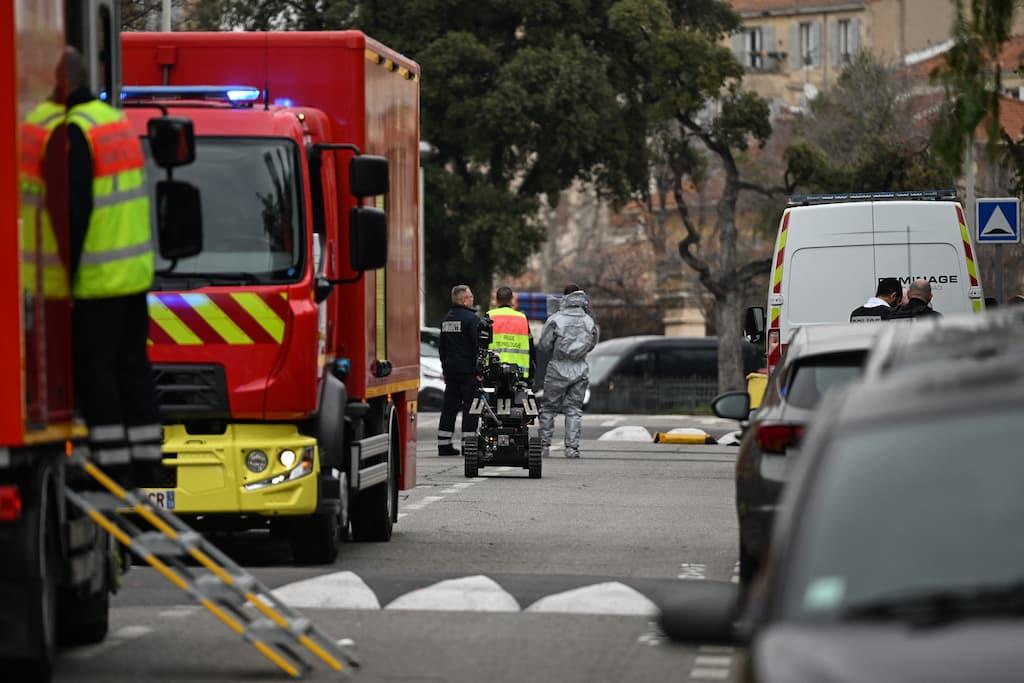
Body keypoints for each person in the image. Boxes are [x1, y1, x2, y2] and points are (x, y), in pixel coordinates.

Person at [63, 47, 163, 487]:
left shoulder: (77, 131)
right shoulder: (114, 122)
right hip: (133, 274)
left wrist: (60, 282)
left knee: (96, 370)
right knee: (132, 368)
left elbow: (75, 212)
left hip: (98, 278)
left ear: (62, 82)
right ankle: (146, 460)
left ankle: (112, 464)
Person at [538, 287, 598, 459]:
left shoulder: (556, 319)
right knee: (574, 409)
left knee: (549, 408)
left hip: (558, 367)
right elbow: (592, 342)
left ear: (565, 297)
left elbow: (544, 345)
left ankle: (543, 446)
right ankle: (572, 448)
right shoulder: (588, 320)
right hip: (580, 367)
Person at [437, 285, 480, 456]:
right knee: (471, 408)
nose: (472, 299)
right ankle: (468, 446)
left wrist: (445, 369)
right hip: (469, 372)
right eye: (470, 297)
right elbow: (479, 346)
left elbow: (442, 348)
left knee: (449, 407)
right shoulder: (471, 319)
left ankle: (444, 444)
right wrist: (480, 370)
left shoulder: (446, 319)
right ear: (463, 300)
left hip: (451, 371)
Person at [486, 286, 535, 380]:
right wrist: (531, 373)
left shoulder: (489, 316)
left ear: (496, 300)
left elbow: (481, 344)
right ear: (512, 300)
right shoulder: (522, 318)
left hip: (493, 370)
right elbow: (531, 346)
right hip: (519, 372)